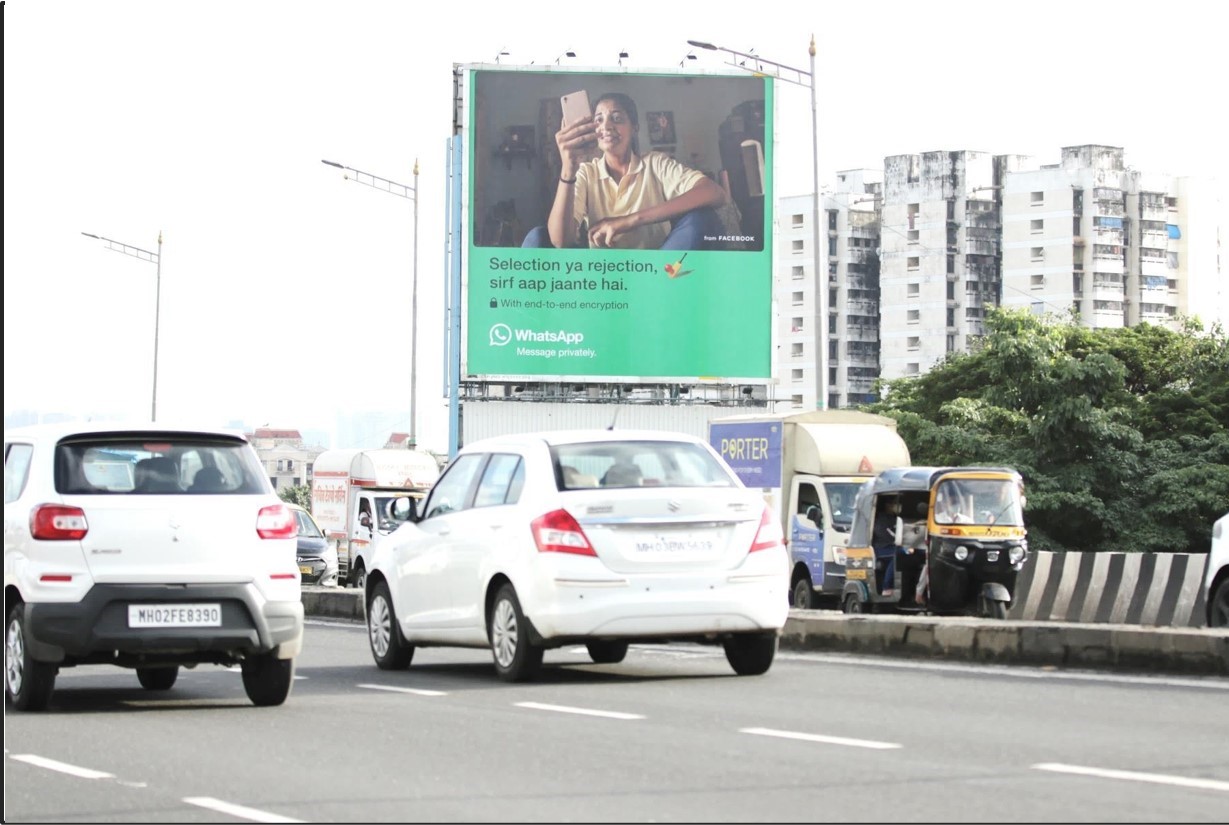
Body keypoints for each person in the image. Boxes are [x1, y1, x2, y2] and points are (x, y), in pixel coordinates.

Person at [522, 91, 728, 250]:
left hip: (655, 272)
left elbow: (715, 193)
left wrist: (628, 221)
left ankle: (660, 292)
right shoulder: (586, 172)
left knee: (702, 219)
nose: (607, 126)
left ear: (635, 127)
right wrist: (568, 168)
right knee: (537, 237)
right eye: (599, 120)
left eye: (617, 118)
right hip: (604, 278)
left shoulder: (655, 163)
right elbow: (560, 241)